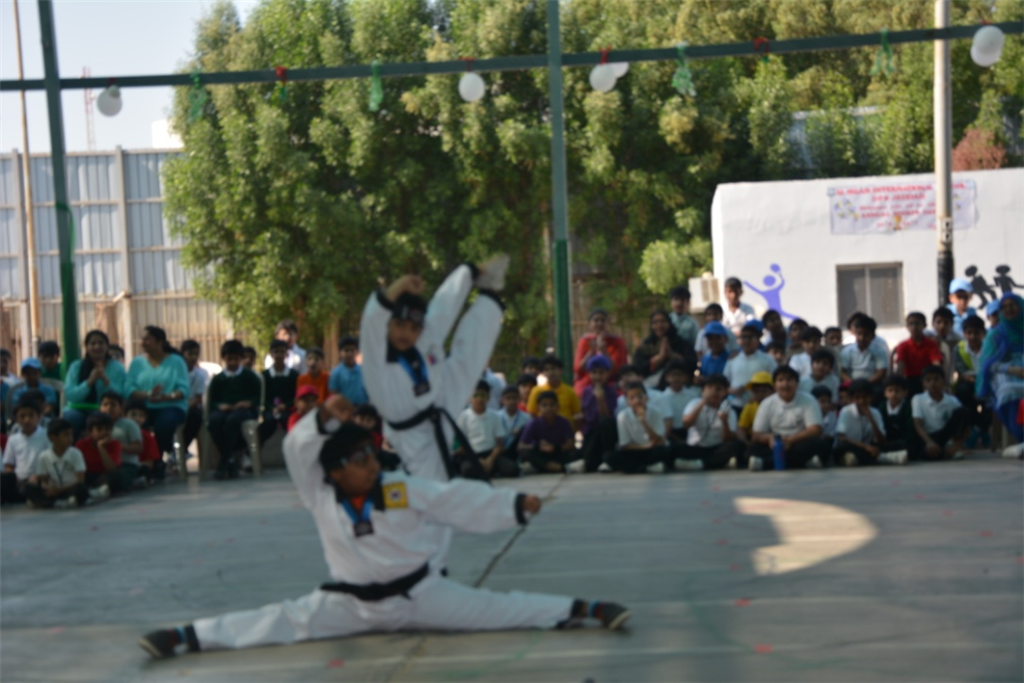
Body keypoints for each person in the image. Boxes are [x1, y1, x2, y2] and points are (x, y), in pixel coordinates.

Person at [138, 403, 630, 660]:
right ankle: (184, 636)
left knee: (497, 609)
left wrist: (512, 505)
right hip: (349, 605)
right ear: (334, 470)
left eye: (371, 455)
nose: (371, 464)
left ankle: (582, 609)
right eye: (358, 459)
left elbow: (450, 499)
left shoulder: (397, 488)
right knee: (274, 621)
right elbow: (297, 451)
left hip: (422, 595)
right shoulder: (321, 493)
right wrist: (322, 416)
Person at [360, 256, 508, 484]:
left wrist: (469, 272)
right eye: (399, 325)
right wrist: (400, 285)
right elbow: (373, 319)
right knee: (432, 485)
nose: (405, 333)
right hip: (411, 431)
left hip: (438, 400)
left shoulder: (423, 338)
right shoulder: (377, 357)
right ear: (388, 324)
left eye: (413, 328)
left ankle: (489, 294)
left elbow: (443, 305)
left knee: (466, 362)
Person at [747, 366, 830, 471]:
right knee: (751, 450)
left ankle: (765, 463)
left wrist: (790, 441)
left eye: (789, 379)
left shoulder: (809, 400)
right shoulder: (767, 403)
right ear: (775, 385)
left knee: (821, 445)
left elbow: (816, 429)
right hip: (776, 444)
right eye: (780, 380)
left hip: (800, 442)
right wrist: (770, 439)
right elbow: (757, 435)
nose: (785, 384)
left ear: (797, 383)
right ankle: (804, 462)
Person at [126, 326, 190, 458]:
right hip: (143, 407)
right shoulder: (137, 362)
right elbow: (128, 388)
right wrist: (148, 395)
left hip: (171, 406)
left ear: (160, 342)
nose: (143, 343)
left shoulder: (176, 361)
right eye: (142, 339)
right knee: (134, 425)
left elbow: (184, 389)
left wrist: (168, 396)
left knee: (164, 424)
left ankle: (157, 459)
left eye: (147, 339)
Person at [976, 294, 1024, 458]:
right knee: (1008, 390)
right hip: (1003, 371)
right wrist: (1011, 369)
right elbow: (988, 364)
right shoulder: (996, 334)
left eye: (1012, 305)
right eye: (1004, 307)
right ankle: (1021, 436)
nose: (1008, 309)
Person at [206, 340, 262, 480]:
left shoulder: (249, 375)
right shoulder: (218, 379)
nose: (232, 362)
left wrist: (249, 403)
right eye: (229, 359)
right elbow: (211, 401)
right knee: (214, 421)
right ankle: (229, 459)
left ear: (241, 358)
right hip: (223, 410)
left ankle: (224, 462)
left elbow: (259, 397)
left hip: (244, 411)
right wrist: (219, 406)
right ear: (223, 359)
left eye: (236, 359)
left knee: (233, 420)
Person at [63, 330, 128, 439]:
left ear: (107, 346)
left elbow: (121, 394)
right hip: (77, 408)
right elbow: (70, 395)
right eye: (92, 343)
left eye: (101, 343)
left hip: (104, 409)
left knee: (100, 421)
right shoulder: (76, 366)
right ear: (86, 347)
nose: (97, 347)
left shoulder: (117, 367)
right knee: (72, 418)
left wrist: (105, 380)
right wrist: (89, 381)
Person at [603, 382, 673, 474]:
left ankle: (637, 467)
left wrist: (644, 422)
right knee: (608, 456)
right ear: (627, 402)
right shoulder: (623, 416)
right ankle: (645, 467)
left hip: (653, 449)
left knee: (663, 451)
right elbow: (624, 445)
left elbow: (660, 441)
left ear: (646, 398)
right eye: (632, 398)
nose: (637, 401)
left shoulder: (656, 412)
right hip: (636, 449)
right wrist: (645, 447)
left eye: (640, 396)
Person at [677, 374, 743, 470]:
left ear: (725, 392)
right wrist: (702, 403)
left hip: (716, 448)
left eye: (718, 389)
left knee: (736, 446)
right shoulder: (694, 403)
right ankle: (716, 463)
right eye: (709, 388)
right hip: (695, 447)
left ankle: (700, 464)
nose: (713, 392)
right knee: (675, 448)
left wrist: (724, 422)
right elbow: (686, 424)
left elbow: (727, 439)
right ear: (703, 390)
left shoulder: (728, 410)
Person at [834, 379, 908, 467]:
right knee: (842, 446)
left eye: (865, 397)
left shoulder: (875, 412)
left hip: (870, 447)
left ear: (871, 397)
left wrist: (871, 420)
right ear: (852, 399)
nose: (861, 401)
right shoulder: (846, 411)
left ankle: (856, 459)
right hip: (853, 446)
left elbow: (882, 440)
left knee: (900, 444)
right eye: (857, 398)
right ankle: (883, 458)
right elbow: (841, 438)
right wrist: (865, 447)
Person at [454, 381, 518, 480]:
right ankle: (486, 470)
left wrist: (490, 460)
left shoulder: (495, 416)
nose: (479, 399)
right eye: (476, 395)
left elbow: (499, 445)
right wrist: (477, 460)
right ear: (470, 398)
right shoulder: (463, 417)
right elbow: (462, 446)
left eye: (483, 395)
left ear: (488, 397)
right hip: (471, 454)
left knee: (513, 470)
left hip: (491, 454)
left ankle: (487, 469)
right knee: (467, 470)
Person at [24, 418, 89, 509]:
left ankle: (48, 502)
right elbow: (44, 480)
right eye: (66, 435)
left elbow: (80, 479)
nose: (70, 439)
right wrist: (47, 487)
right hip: (53, 491)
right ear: (53, 437)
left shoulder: (76, 453)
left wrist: (60, 490)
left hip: (69, 488)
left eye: (71, 435)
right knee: (29, 487)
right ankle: (54, 502)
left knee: (81, 488)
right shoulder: (44, 456)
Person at [570, 355, 619, 473]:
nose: (597, 376)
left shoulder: (611, 391)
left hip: (605, 434)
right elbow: (585, 414)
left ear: (608, 373)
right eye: (594, 373)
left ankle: (605, 460)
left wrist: (600, 399)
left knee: (604, 423)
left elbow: (606, 416)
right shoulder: (586, 391)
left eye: (601, 373)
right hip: (590, 433)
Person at [912, 365, 970, 461]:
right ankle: (946, 452)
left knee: (964, 411)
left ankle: (953, 448)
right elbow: (918, 424)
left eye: (936, 379)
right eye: (928, 380)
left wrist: (957, 444)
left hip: (946, 435)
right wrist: (929, 442)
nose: (933, 383)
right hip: (928, 436)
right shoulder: (918, 399)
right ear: (923, 383)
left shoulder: (952, 400)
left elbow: (966, 425)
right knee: (927, 454)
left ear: (943, 381)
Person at [0, 399, 50, 504]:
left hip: (39, 478)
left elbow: (50, 461)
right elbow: (8, 465)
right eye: (22, 416)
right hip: (19, 480)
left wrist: (38, 476)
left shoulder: (46, 436)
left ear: (38, 417)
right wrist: (13, 478)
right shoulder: (13, 439)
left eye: (31, 415)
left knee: (34, 487)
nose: (27, 420)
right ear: (16, 419)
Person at [632, 309, 697, 388]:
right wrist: (660, 357)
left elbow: (692, 364)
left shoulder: (682, 343)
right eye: (655, 322)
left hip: (680, 386)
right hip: (651, 387)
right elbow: (638, 368)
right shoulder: (646, 345)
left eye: (663, 321)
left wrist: (672, 355)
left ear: (669, 323)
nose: (659, 325)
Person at [953, 315, 990, 449]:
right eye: (969, 333)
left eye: (976, 333)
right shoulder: (959, 348)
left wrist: (981, 380)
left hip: (986, 380)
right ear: (964, 334)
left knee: (990, 398)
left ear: (983, 334)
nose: (973, 336)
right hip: (969, 380)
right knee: (963, 392)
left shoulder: (989, 347)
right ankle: (973, 428)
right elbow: (960, 370)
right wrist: (973, 380)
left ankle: (983, 429)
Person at [573, 308, 628, 394]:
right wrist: (591, 352)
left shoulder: (617, 342)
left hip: (612, 383)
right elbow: (578, 370)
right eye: (596, 320)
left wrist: (604, 352)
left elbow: (618, 370)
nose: (599, 323)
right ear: (589, 324)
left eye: (603, 320)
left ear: (608, 324)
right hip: (587, 383)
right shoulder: (584, 341)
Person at [519, 391, 576, 474]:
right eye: (544, 405)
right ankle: (556, 467)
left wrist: (554, 448)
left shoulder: (563, 421)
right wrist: (537, 446)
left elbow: (571, 444)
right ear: (538, 408)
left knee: (577, 453)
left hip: (558, 453)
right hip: (541, 454)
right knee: (526, 453)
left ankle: (544, 467)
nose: (548, 408)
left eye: (552, 405)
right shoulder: (534, 423)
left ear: (558, 407)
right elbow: (520, 446)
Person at [723, 324, 777, 412]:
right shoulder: (732, 360)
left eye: (751, 337)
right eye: (744, 337)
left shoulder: (767, 359)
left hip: (760, 407)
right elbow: (724, 384)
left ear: (758, 340)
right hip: (735, 406)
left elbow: (776, 383)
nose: (747, 341)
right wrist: (732, 391)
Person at [100, 391, 143, 490]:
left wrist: (118, 446)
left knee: (116, 478)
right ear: (100, 408)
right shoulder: (96, 426)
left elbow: (139, 448)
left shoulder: (129, 425)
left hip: (126, 465)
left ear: (121, 409)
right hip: (103, 465)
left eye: (113, 405)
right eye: (105, 404)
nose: (109, 408)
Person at [894, 312, 943, 396]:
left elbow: (936, 363)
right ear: (907, 326)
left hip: (927, 378)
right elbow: (901, 365)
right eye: (911, 324)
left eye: (917, 323)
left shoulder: (931, 344)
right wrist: (898, 381)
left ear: (924, 325)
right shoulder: (903, 345)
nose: (914, 327)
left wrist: (938, 378)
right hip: (909, 379)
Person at [526, 356, 583, 429]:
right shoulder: (536, 391)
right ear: (543, 373)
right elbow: (530, 415)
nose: (550, 372)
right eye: (546, 369)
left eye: (553, 368)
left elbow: (577, 414)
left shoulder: (569, 391)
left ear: (560, 370)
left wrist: (572, 431)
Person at [259, 339, 299, 445]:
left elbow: (296, 395)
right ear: (271, 354)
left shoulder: (293, 375)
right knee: (267, 422)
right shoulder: (265, 375)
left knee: (289, 421)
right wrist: (272, 408)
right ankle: (254, 451)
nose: (279, 355)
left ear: (286, 354)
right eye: (276, 351)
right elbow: (262, 397)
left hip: (289, 409)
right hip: (270, 410)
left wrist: (286, 405)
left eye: (282, 351)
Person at [76, 412, 123, 495]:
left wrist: (101, 447)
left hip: (103, 475)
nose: (104, 432)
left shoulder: (115, 444)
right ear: (90, 432)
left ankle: (98, 490)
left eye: (107, 429)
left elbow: (111, 468)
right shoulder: (81, 444)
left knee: (117, 475)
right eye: (99, 429)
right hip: (87, 475)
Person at [840, 316, 888, 391]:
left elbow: (881, 372)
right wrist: (852, 383)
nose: (862, 338)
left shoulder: (879, 351)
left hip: (871, 384)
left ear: (873, 336)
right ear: (855, 334)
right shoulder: (847, 351)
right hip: (851, 384)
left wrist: (865, 384)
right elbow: (843, 372)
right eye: (859, 334)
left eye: (866, 335)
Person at [180, 340, 209, 455]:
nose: (193, 357)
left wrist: (186, 406)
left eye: (196, 354)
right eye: (190, 353)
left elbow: (198, 398)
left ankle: (182, 449)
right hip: (175, 405)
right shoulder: (176, 373)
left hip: (190, 406)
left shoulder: (200, 374)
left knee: (195, 417)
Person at [126, 400, 164, 483]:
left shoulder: (148, 437)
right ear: (124, 415)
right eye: (133, 414)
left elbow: (149, 463)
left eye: (141, 415)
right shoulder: (119, 433)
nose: (137, 418)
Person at [662, 360, 701, 440]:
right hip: (670, 433)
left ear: (685, 377)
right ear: (666, 377)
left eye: (679, 375)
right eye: (673, 375)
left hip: (690, 432)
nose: (676, 378)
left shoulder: (693, 395)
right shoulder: (662, 397)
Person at [328, 336, 368, 406]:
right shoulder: (336, 372)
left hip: (362, 407)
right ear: (340, 353)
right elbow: (334, 393)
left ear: (357, 352)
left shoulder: (363, 370)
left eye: (352, 350)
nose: (349, 353)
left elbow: (368, 391)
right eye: (346, 350)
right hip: (344, 408)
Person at [737, 372, 773, 445]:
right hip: (755, 441)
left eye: (764, 391)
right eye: (756, 391)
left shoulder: (777, 405)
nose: (760, 394)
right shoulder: (749, 407)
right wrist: (745, 443)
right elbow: (742, 428)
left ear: (772, 391)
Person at [881, 375, 914, 448]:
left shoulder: (909, 406)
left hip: (904, 441)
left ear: (905, 392)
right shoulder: (882, 407)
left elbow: (910, 430)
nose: (894, 394)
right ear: (884, 393)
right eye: (890, 390)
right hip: (887, 440)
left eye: (897, 390)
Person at [497, 385, 531, 455]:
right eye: (508, 398)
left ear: (519, 399)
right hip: (499, 451)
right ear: (502, 400)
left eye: (514, 398)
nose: (511, 401)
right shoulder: (497, 416)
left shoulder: (527, 418)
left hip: (518, 452)